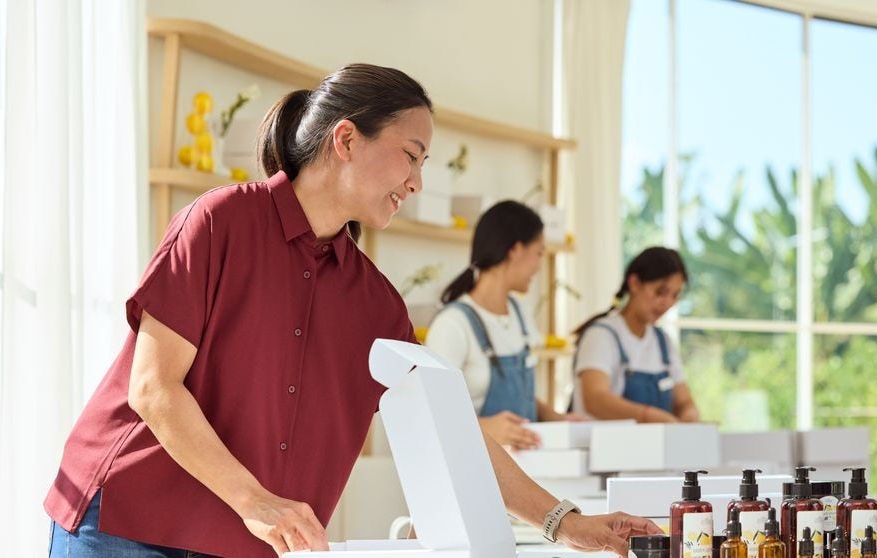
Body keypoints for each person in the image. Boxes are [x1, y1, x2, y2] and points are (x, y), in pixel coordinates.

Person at [44, 64, 659, 557]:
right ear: (345, 139)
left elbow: (452, 432)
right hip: (126, 523)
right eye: (411, 155)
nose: (417, 181)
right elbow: (154, 389)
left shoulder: (375, 305)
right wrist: (257, 502)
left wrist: (565, 523)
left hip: (245, 545)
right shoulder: (220, 221)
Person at [425, 201, 584, 450]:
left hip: (525, 466)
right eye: (539, 253)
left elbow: (522, 395)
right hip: (475, 468)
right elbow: (430, 415)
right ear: (515, 250)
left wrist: (557, 418)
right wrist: (486, 428)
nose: (538, 266)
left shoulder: (519, 313)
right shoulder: (453, 324)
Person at [572, 246, 700, 423]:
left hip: (653, 448)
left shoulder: (662, 342)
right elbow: (595, 400)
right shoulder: (601, 336)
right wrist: (650, 417)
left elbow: (684, 401)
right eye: (660, 292)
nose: (667, 303)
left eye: (675, 295)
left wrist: (689, 416)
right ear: (634, 283)